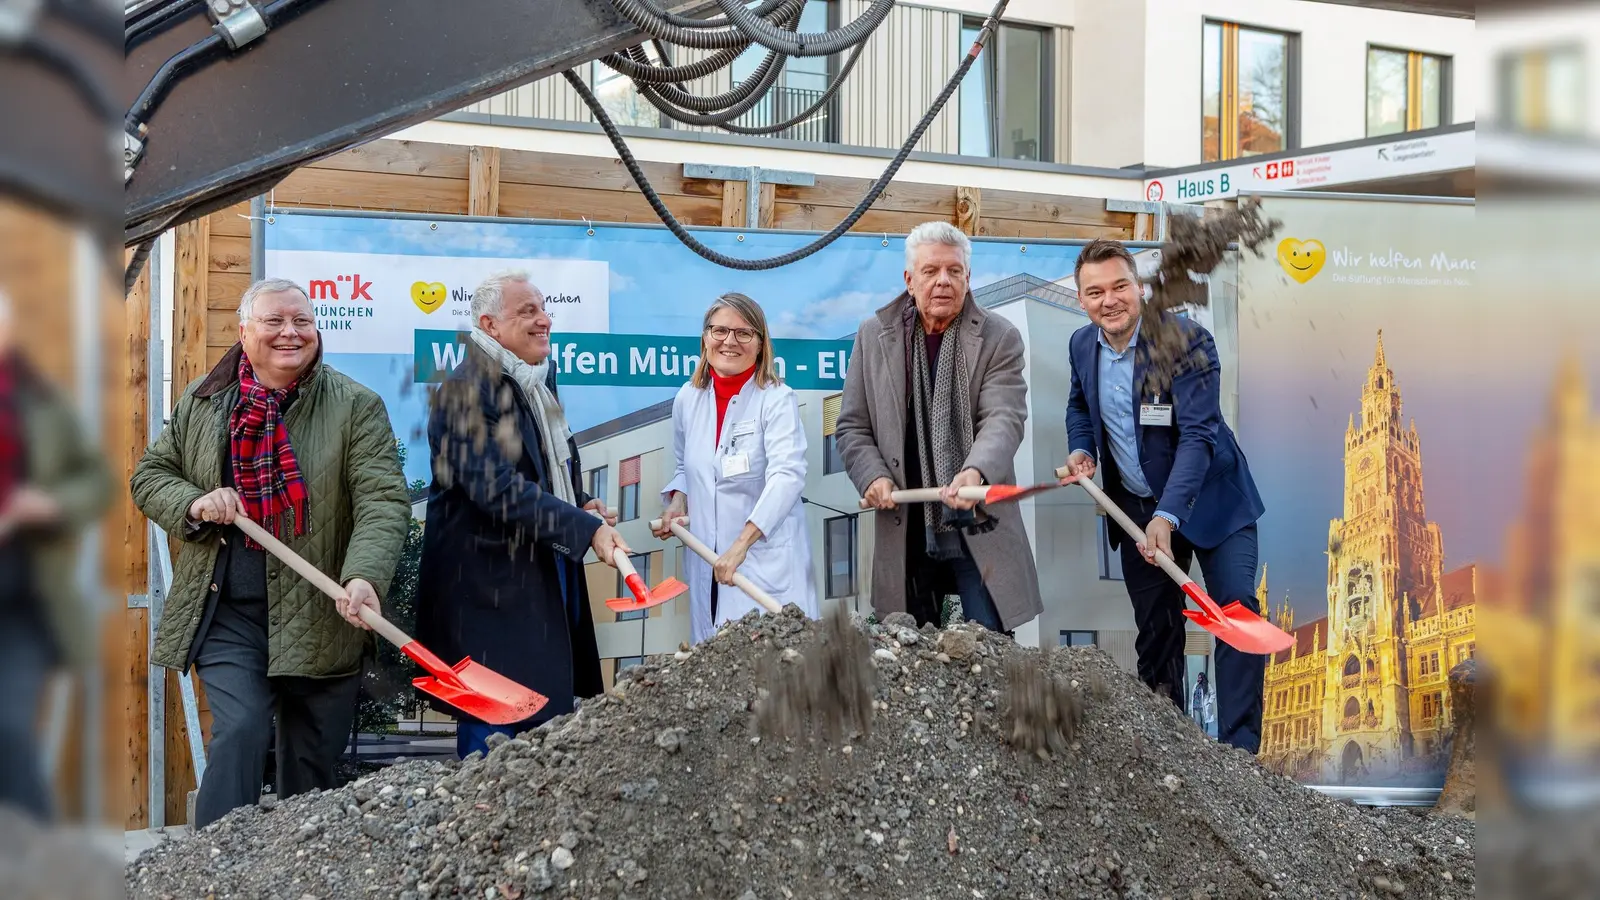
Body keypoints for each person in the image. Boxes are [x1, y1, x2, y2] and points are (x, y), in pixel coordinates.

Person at [131, 277, 411, 829]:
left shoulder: (355, 405)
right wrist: (194, 502)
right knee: (240, 731)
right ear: (244, 332)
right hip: (228, 610)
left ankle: (301, 865)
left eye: (302, 321)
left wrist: (364, 576)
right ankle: (211, 862)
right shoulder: (205, 399)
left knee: (310, 764)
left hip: (320, 615)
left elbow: (382, 501)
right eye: (274, 321)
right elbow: (151, 475)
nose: (290, 332)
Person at [1062, 238, 1267, 752]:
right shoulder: (1081, 346)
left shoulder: (1187, 342)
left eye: (1119, 287)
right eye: (1095, 292)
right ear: (1081, 298)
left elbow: (1198, 436)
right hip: (1136, 508)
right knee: (1156, 630)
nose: (1109, 300)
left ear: (1139, 288)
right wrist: (1082, 449)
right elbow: (1079, 406)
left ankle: (1241, 756)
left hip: (1215, 505)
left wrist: (1168, 515)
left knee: (1235, 612)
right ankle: (1169, 750)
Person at [414, 270, 627, 760]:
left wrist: (578, 501)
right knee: (493, 735)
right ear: (489, 325)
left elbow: (543, 465)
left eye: (544, 309)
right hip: (489, 592)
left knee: (544, 729)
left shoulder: (535, 381)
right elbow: (497, 489)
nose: (544, 320)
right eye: (528, 311)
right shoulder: (464, 390)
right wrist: (585, 530)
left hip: (539, 578)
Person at [835, 221, 1041, 633]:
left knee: (989, 648)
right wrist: (872, 476)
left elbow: (1003, 418)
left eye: (954, 270)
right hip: (904, 523)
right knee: (907, 650)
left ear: (968, 277)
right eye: (930, 271)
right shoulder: (873, 335)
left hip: (977, 517)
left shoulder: (999, 337)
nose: (943, 281)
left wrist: (975, 472)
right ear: (909, 280)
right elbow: (852, 426)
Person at [0, 290, 110, 822]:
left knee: (8, 727)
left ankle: (32, 850)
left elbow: (97, 480)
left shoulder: (41, 400)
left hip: (24, 594)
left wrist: (51, 503)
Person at [652, 293, 816, 644]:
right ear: (705, 338)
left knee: (773, 660)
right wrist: (678, 502)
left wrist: (742, 544)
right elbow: (684, 467)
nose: (729, 341)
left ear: (760, 344)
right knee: (716, 661)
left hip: (761, 565)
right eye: (720, 331)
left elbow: (787, 477)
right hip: (707, 564)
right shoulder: (688, 398)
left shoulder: (777, 399)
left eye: (743, 333)